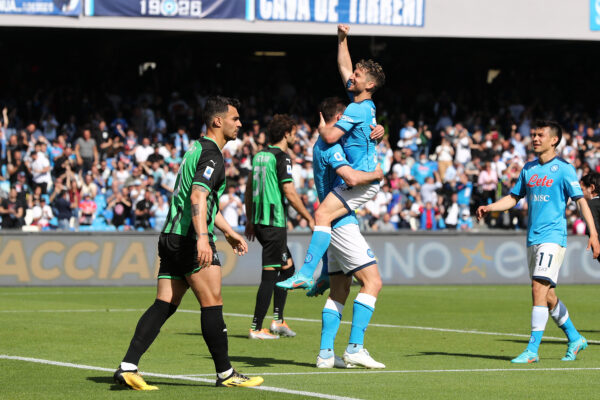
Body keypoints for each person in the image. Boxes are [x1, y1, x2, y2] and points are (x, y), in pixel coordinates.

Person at [113, 96, 263, 390]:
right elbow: (197, 196)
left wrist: (229, 232)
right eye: (235, 118)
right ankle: (226, 374)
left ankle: (127, 366)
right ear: (217, 121)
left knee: (165, 303)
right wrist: (204, 239)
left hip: (170, 237)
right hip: (189, 239)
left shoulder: (194, 149)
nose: (240, 123)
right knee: (212, 302)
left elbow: (201, 200)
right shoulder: (212, 155)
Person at [477, 120, 600, 364]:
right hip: (532, 238)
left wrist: (594, 234)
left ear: (554, 140)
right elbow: (514, 198)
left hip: (553, 238)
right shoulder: (529, 168)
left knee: (537, 288)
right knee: (548, 295)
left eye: (539, 135)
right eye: (533, 134)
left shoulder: (564, 169)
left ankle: (532, 350)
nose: (534, 138)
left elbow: (581, 201)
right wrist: (490, 207)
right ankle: (575, 338)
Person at [278, 24, 385, 290]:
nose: (352, 77)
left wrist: (322, 127)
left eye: (358, 76)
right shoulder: (362, 105)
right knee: (328, 217)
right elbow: (344, 67)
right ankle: (325, 271)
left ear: (369, 85)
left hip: (361, 179)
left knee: (323, 212)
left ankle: (305, 272)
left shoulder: (357, 110)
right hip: (359, 178)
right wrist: (342, 39)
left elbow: (329, 137)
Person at [306, 97, 385, 369]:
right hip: (340, 222)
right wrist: (377, 174)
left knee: (339, 289)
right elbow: (351, 177)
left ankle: (326, 354)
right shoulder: (331, 145)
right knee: (373, 282)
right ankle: (355, 348)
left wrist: (377, 132)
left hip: (335, 221)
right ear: (340, 119)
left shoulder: (323, 144)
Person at [244, 114, 315, 340]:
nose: (295, 136)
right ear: (287, 133)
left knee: (288, 270)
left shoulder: (259, 157)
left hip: (261, 222)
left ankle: (278, 320)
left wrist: (249, 219)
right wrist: (309, 217)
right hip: (274, 223)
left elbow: (248, 190)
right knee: (270, 276)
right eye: (294, 132)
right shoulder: (282, 157)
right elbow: (290, 192)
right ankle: (256, 327)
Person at [580, 172, 600, 263]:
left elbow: (596, 228)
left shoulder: (591, 205)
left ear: (591, 188)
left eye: (582, 190)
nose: (580, 195)